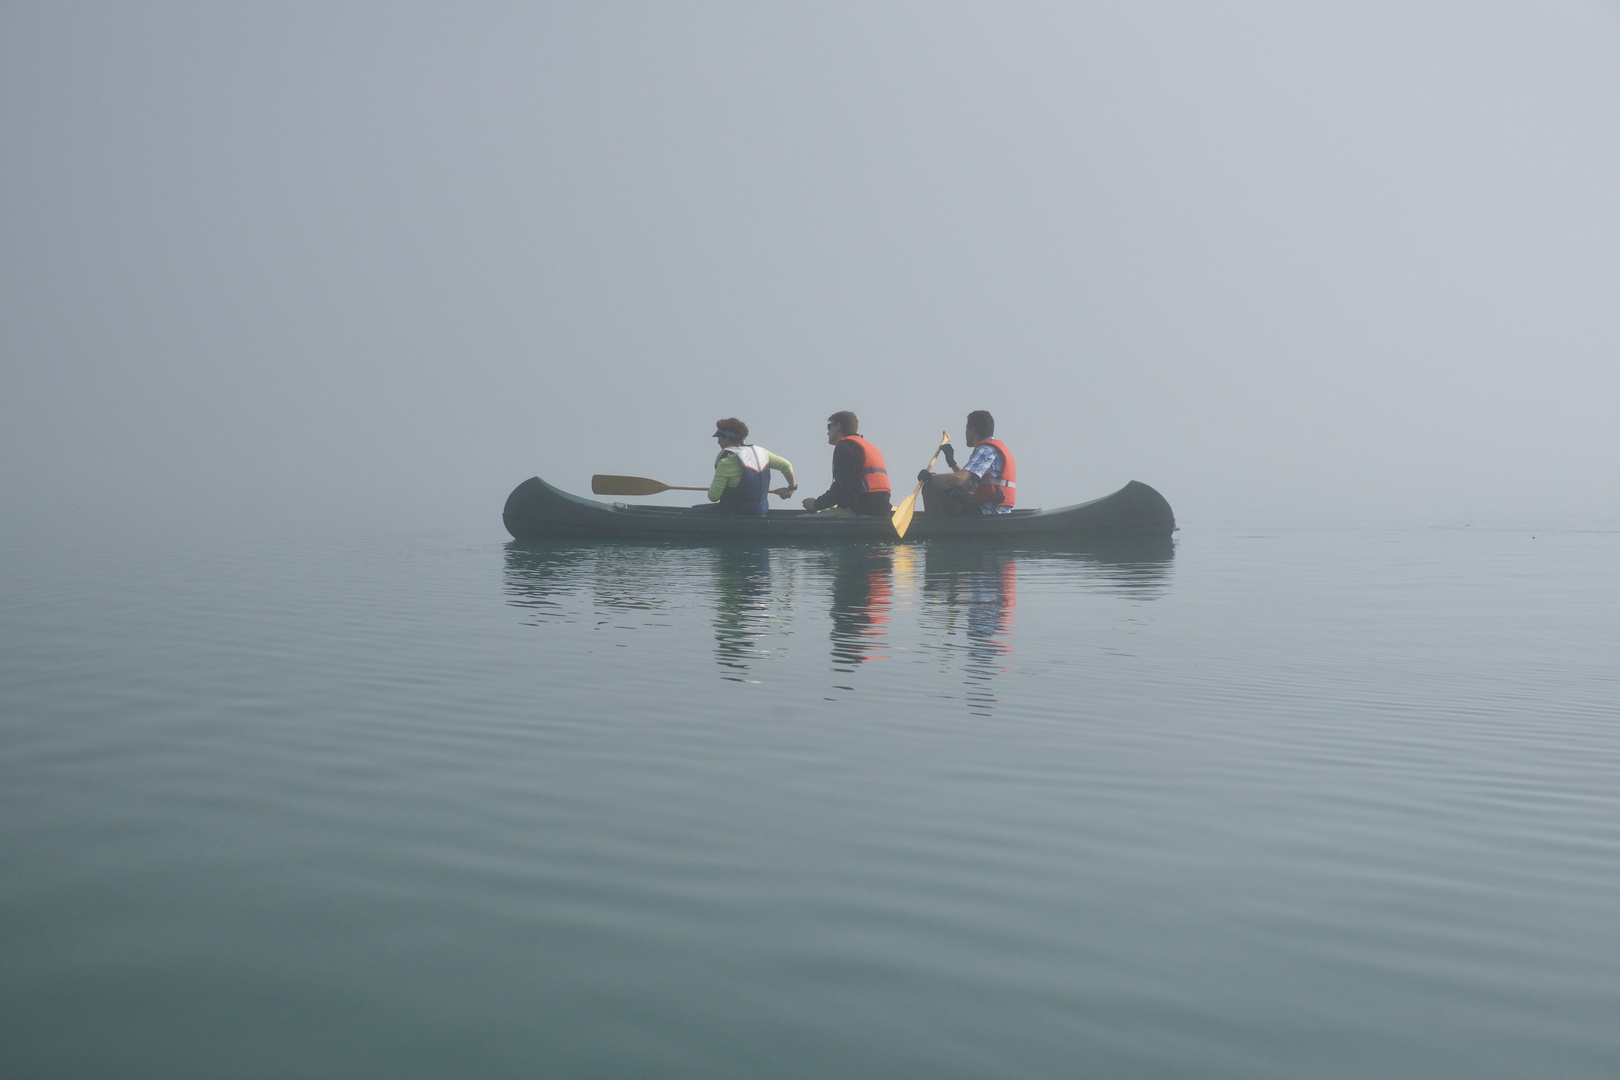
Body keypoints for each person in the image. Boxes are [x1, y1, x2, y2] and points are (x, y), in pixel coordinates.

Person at [917, 409, 1016, 517]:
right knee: (945, 483)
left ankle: (938, 529)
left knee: (931, 487)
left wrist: (930, 477)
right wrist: (952, 464)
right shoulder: (992, 450)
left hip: (984, 513)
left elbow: (959, 479)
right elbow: (968, 483)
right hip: (994, 511)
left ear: (972, 430)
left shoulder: (985, 451)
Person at [697, 418, 796, 516]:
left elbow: (713, 496)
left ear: (727, 437)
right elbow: (786, 466)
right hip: (761, 511)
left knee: (693, 511)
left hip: (735, 512)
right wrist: (791, 488)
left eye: (719, 437)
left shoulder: (726, 462)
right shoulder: (762, 453)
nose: (718, 442)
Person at [801, 411, 892, 517]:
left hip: (860, 511)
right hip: (881, 511)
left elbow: (842, 487)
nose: (828, 432)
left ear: (838, 427)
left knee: (802, 521)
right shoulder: (869, 447)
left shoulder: (845, 447)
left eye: (830, 427)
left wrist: (816, 504)